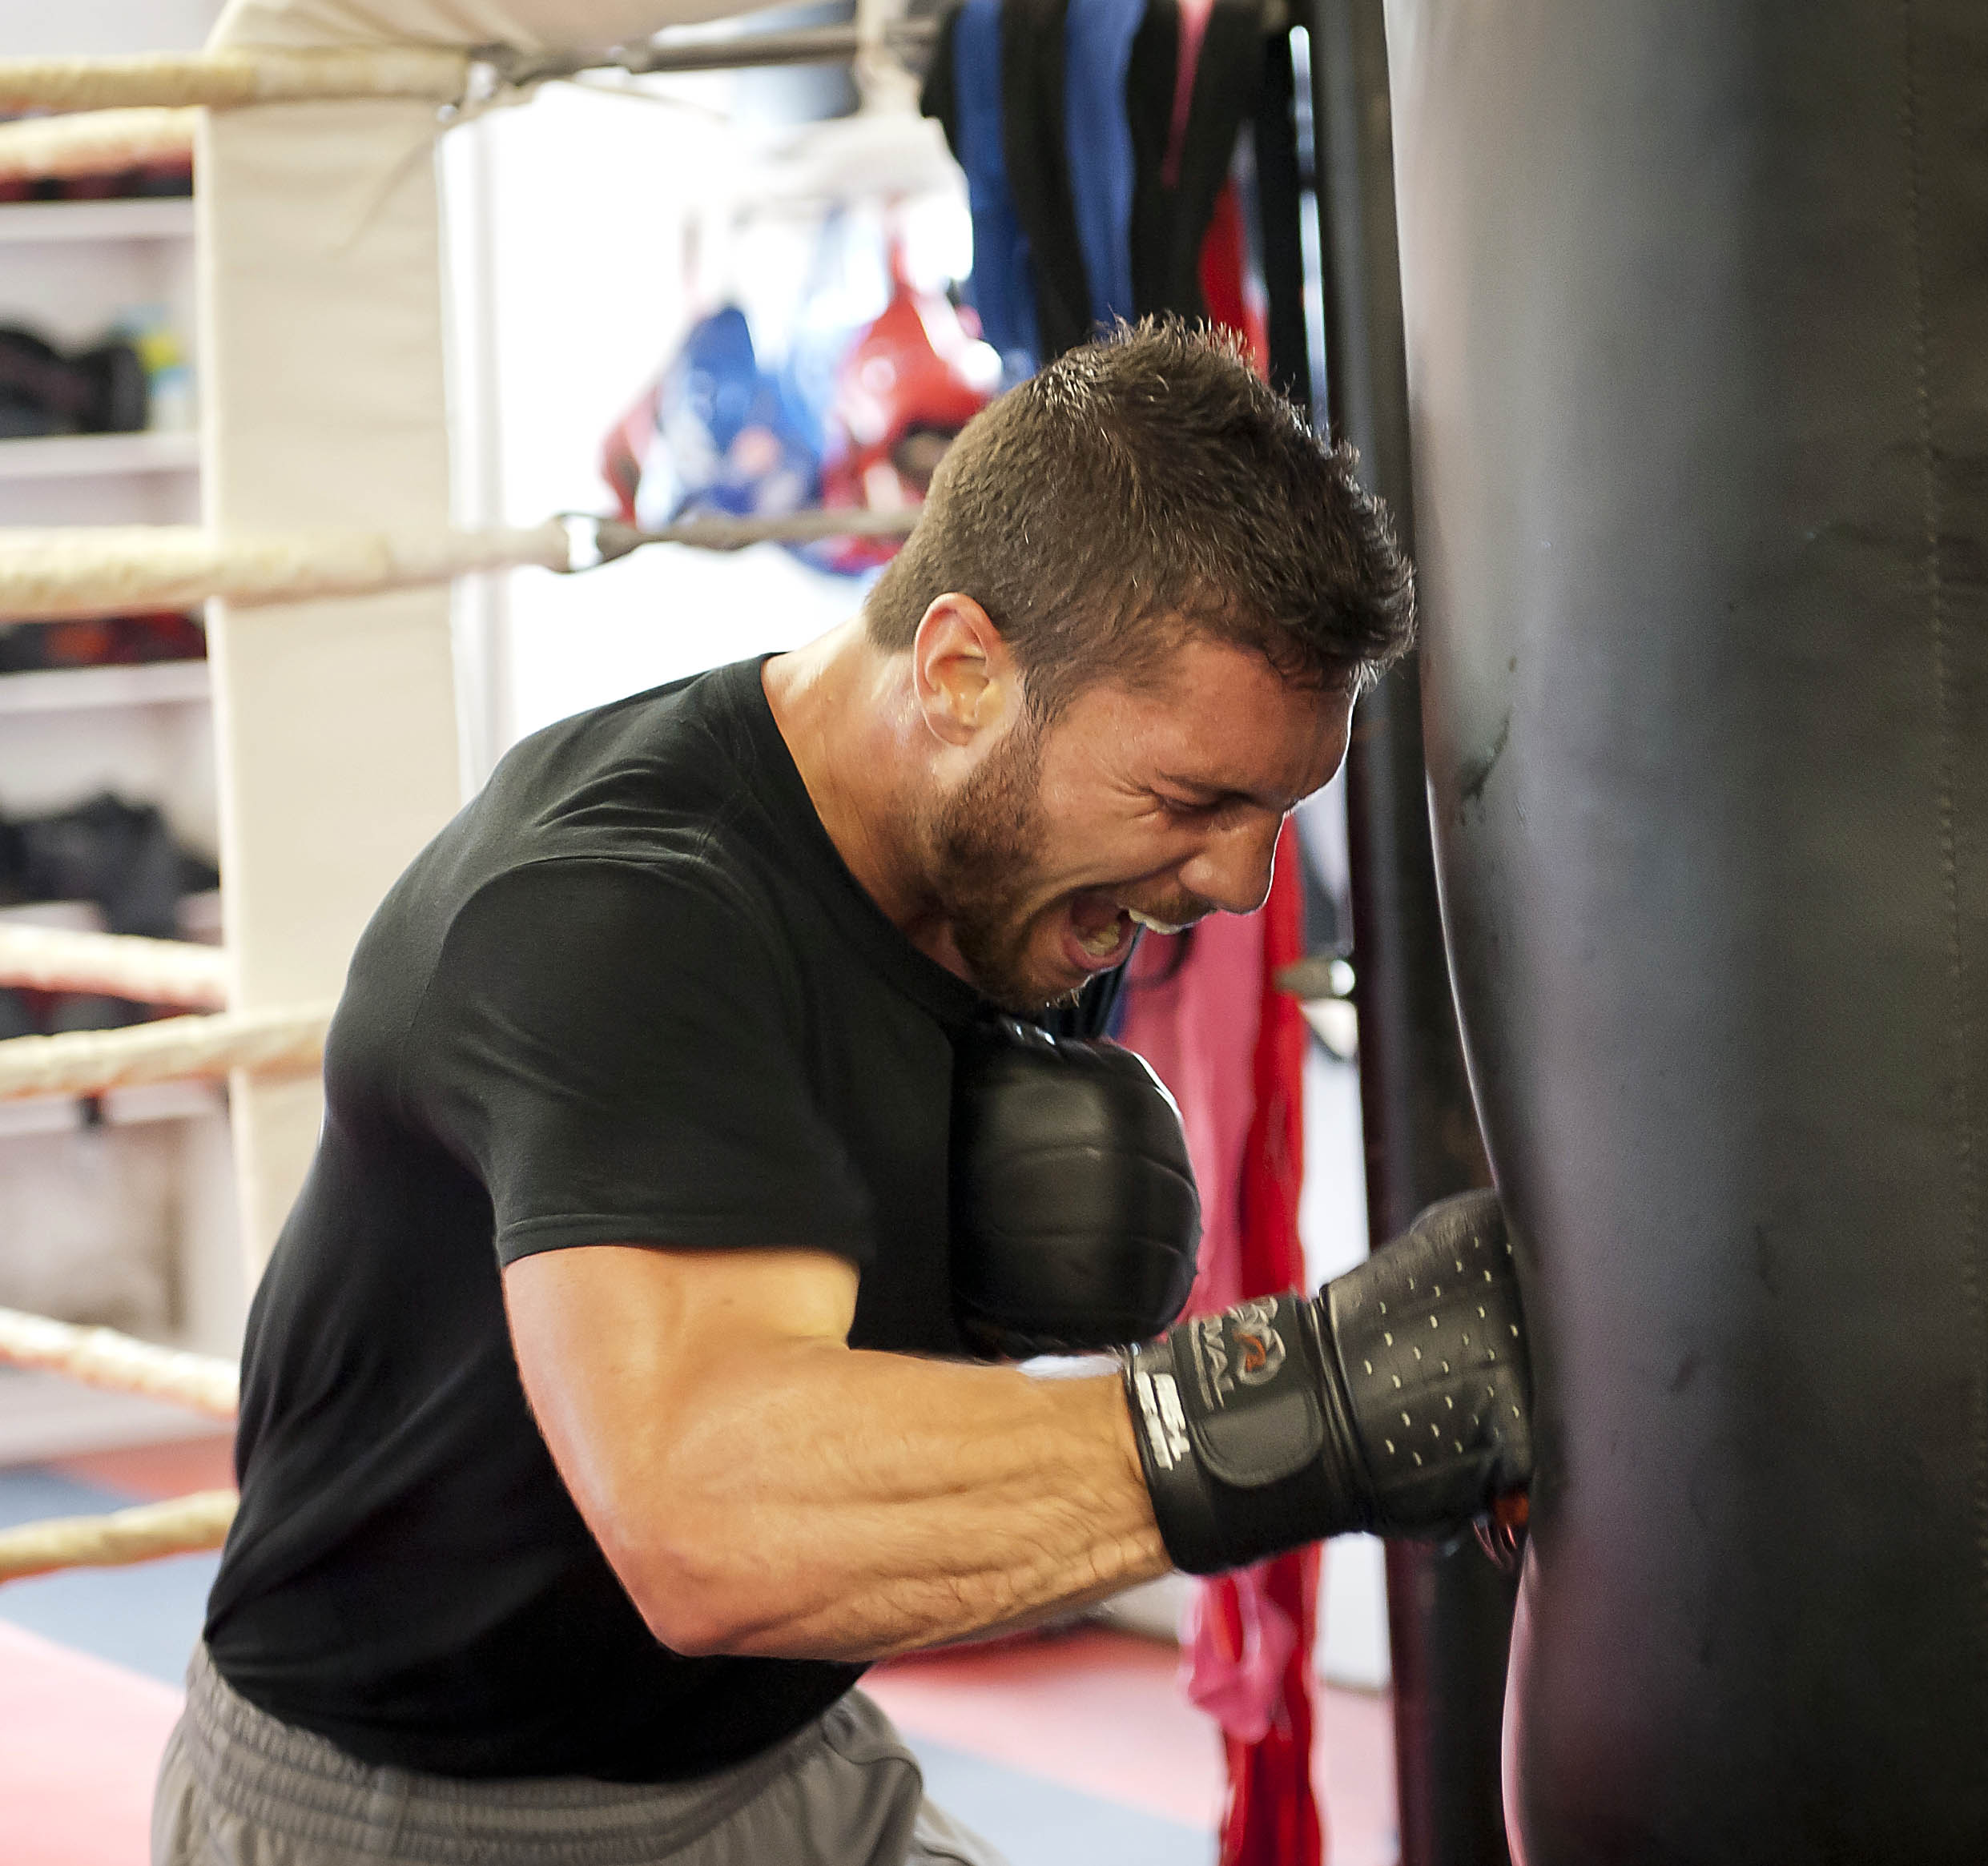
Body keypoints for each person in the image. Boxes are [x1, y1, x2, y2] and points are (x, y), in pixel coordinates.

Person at [152, 320, 1533, 1866]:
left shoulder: (1004, 865)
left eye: (1273, 813)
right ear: (958, 672)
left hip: (769, 1756)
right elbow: (708, 1521)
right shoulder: (623, 914)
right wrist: (1331, 1404)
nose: (1234, 879)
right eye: (1194, 801)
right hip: (425, 1814)